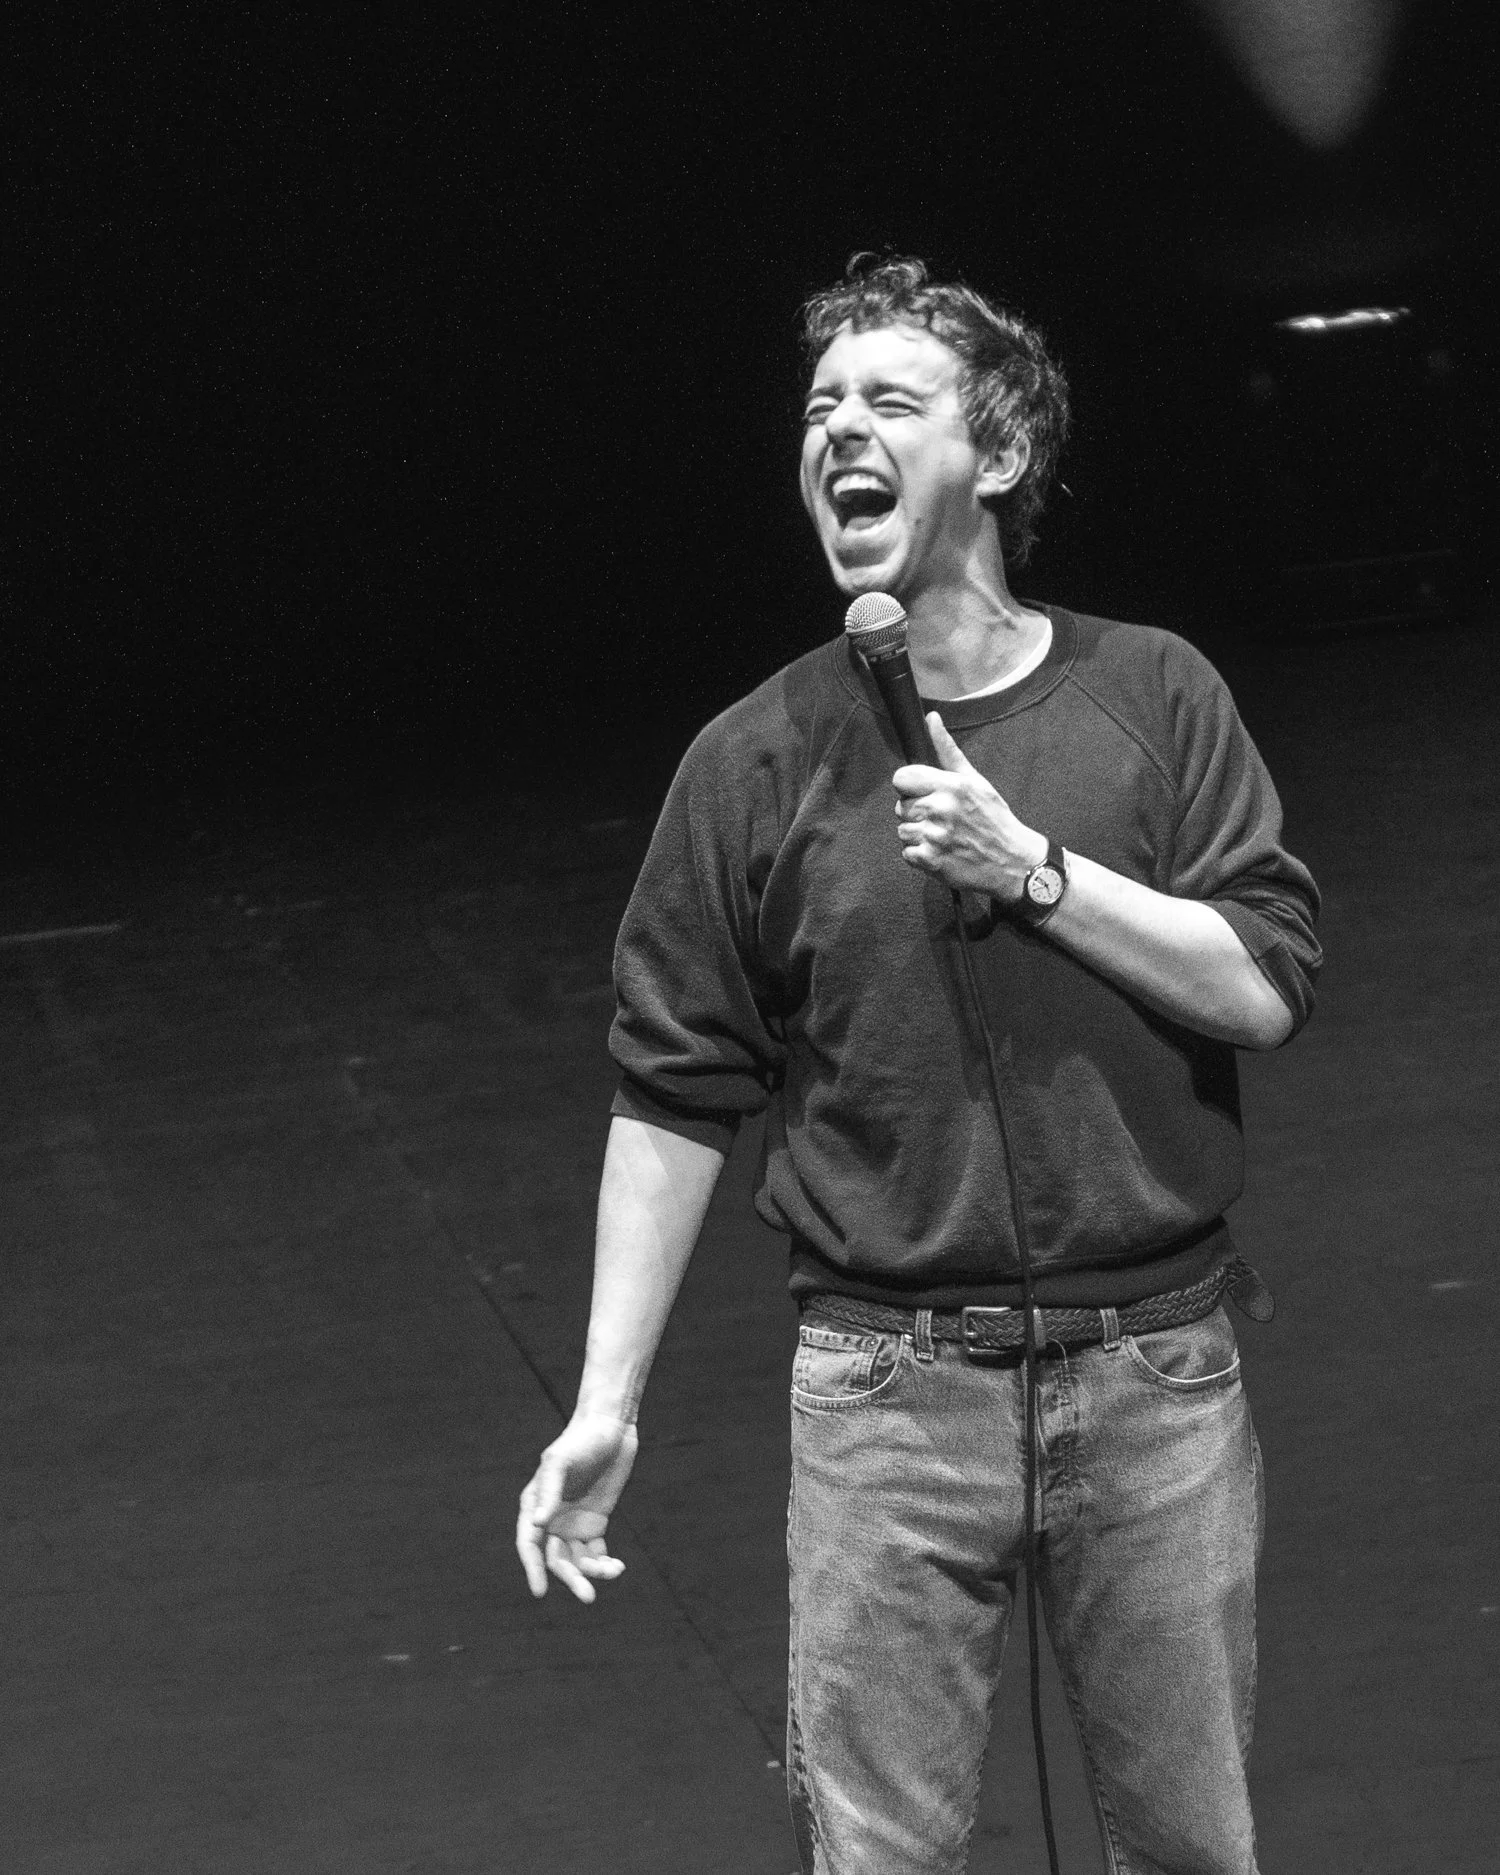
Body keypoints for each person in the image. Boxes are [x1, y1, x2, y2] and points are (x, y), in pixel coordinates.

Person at [516, 255, 1321, 1875]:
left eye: (890, 400)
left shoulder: (1153, 692)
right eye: (819, 409)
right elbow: (673, 1092)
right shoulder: (752, 756)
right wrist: (605, 1399)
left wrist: (1034, 871)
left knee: (1190, 1851)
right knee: (879, 1860)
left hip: (1154, 1373)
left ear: (1001, 459)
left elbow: (1264, 987)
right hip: (887, 1392)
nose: (840, 433)